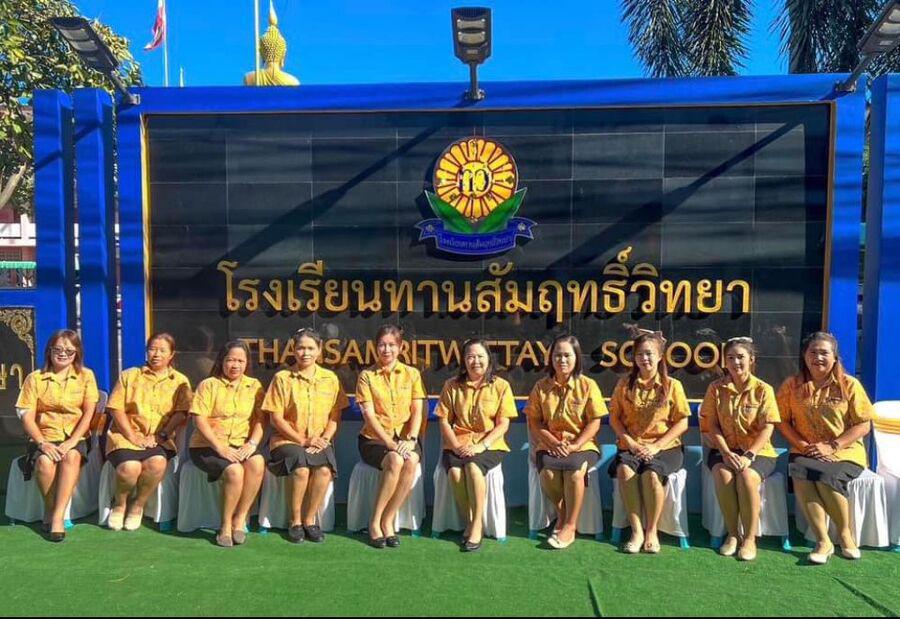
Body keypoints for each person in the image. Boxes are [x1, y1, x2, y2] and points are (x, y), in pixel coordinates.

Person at [777, 331, 874, 564]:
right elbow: (781, 421)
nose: (817, 357)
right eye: (813, 352)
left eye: (824, 353)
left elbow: (863, 425)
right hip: (805, 450)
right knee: (799, 472)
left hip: (844, 451)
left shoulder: (849, 385)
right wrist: (803, 446)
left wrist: (833, 446)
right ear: (805, 356)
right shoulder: (792, 385)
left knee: (825, 477)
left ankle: (845, 535)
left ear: (834, 357)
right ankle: (823, 540)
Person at [263, 328, 348, 544]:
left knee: (324, 470)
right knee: (301, 467)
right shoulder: (283, 378)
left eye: (311, 348)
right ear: (294, 350)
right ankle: (295, 521)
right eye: (301, 348)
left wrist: (325, 439)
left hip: (319, 440)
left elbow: (335, 416)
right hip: (287, 440)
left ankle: (310, 521)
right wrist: (302, 440)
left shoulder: (330, 379)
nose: (305, 353)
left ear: (319, 350)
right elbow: (276, 418)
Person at [609, 329, 690, 554]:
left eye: (649, 353)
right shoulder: (624, 384)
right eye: (639, 354)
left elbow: (682, 422)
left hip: (665, 447)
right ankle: (636, 531)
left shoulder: (672, 385)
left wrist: (656, 446)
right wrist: (631, 443)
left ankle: (652, 531)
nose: (644, 358)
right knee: (625, 471)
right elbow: (614, 418)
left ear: (660, 356)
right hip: (632, 445)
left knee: (651, 475)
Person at [700, 337, 780, 561]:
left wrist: (749, 455)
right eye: (731, 358)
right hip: (724, 449)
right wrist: (726, 452)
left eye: (741, 357)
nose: (736, 362)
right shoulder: (716, 389)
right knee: (723, 474)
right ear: (725, 362)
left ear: (751, 359)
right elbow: (711, 425)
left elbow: (768, 427)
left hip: (758, 452)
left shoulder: (763, 390)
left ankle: (750, 538)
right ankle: (733, 534)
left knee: (746, 476)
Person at [16, 329, 99, 542]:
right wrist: (42, 443)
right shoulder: (35, 378)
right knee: (44, 462)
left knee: (71, 456)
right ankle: (50, 507)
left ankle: (57, 517)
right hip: (44, 435)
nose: (63, 354)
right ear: (49, 351)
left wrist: (72, 441)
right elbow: (27, 417)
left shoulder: (86, 376)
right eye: (58, 349)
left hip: (75, 436)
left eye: (69, 351)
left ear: (77, 353)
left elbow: (89, 413)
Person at [525, 334, 606, 550]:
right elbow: (534, 421)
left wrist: (576, 445)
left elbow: (595, 422)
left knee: (575, 473)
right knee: (548, 474)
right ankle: (562, 515)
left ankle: (570, 526)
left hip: (581, 445)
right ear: (551, 358)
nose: (562, 360)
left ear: (576, 357)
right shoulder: (541, 387)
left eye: (567, 355)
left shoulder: (588, 386)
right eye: (557, 355)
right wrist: (552, 442)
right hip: (550, 444)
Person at [435, 338, 517, 552]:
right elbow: (444, 420)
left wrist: (482, 445)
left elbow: (503, 423)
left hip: (489, 444)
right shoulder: (452, 385)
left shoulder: (501, 386)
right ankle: (470, 521)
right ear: (463, 360)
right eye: (470, 357)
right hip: (459, 443)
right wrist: (454, 445)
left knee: (473, 467)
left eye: (480, 356)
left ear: (489, 359)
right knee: (455, 472)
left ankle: (477, 525)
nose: (475, 361)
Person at [105, 333, 192, 531]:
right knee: (130, 467)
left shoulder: (180, 381)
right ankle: (120, 504)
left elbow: (181, 413)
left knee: (157, 462)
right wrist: (132, 436)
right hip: (125, 436)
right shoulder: (129, 375)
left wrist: (162, 435)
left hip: (159, 439)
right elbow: (116, 409)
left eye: (162, 350)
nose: (156, 354)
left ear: (171, 354)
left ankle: (138, 505)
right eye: (152, 349)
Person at [189, 340, 266, 547]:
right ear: (222, 361)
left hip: (241, 443)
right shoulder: (208, 385)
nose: (235, 365)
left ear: (247, 363)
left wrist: (252, 444)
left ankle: (240, 519)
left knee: (257, 462)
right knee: (234, 470)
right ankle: (224, 525)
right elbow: (199, 420)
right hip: (207, 446)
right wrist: (220, 448)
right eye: (230, 360)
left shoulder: (254, 386)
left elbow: (261, 420)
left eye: (240, 361)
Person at [355, 325, 426, 549]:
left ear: (401, 347)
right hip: (374, 439)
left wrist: (411, 439)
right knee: (395, 460)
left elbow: (417, 411)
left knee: (411, 460)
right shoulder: (367, 376)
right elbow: (369, 416)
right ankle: (374, 521)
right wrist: (390, 443)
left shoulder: (412, 374)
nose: (387, 350)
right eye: (382, 345)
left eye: (392, 345)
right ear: (375, 347)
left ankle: (388, 520)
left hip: (406, 438)